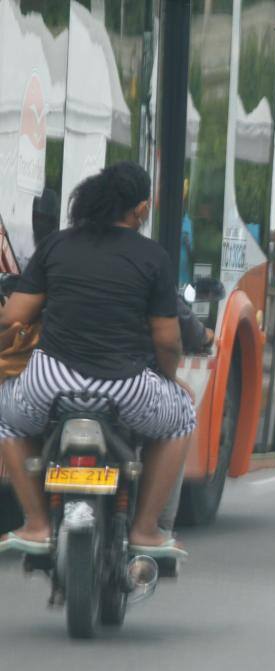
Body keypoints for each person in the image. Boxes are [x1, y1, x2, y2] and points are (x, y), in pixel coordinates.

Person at [0, 162, 195, 559]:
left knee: (6, 415)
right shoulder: (152, 257)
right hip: (126, 389)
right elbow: (168, 341)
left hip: (49, 383)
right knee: (182, 417)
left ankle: (36, 524)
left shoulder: (57, 245)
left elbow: (14, 316)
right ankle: (145, 530)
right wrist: (170, 380)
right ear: (139, 210)